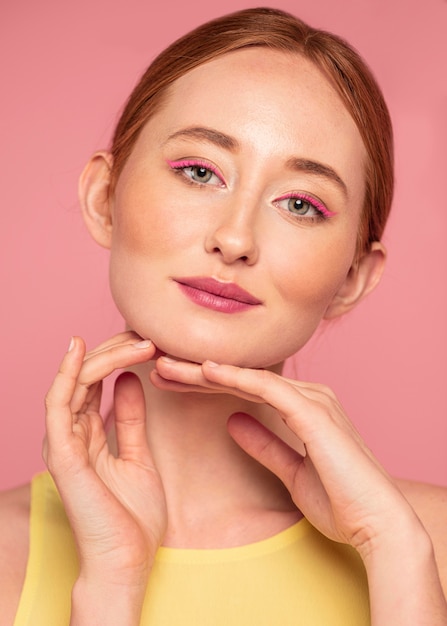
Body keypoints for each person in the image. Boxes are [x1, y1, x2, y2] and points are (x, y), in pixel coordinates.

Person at [1, 7, 446, 625]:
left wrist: (396, 551)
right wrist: (110, 584)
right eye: (200, 172)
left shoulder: (425, 546)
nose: (235, 239)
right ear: (104, 198)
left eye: (300, 204)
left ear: (353, 277)